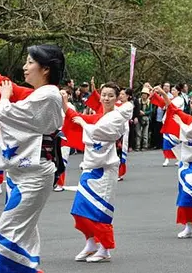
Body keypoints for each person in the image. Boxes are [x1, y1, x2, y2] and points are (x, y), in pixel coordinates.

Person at [0, 16, 64, 273]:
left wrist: (3, 98)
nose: (25, 67)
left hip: (34, 173)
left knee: (7, 232)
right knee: (23, 232)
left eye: (30, 62)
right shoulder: (35, 94)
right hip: (22, 168)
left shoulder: (48, 94)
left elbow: (3, 114)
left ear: (45, 68)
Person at [63, 82, 133, 263]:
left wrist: (84, 124)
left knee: (99, 210)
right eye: (104, 95)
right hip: (91, 166)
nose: (106, 98)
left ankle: (105, 248)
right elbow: (81, 119)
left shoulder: (117, 117)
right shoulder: (101, 116)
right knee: (79, 209)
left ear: (117, 98)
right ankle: (91, 242)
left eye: (111, 95)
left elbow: (100, 133)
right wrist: (65, 105)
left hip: (106, 168)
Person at [154, 84, 192, 239]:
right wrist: (163, 95)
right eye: (191, 102)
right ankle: (188, 225)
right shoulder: (191, 119)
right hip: (185, 162)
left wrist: (181, 124)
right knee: (183, 195)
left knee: (188, 191)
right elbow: (173, 108)